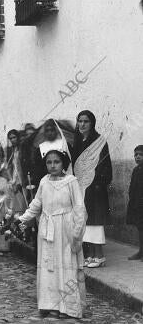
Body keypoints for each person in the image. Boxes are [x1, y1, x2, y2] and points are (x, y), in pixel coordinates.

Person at [17, 150, 87, 319]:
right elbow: (37, 204)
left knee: (65, 265)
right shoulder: (44, 181)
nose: (53, 165)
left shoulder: (71, 182)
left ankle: (66, 307)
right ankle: (49, 304)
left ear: (63, 163)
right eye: (49, 162)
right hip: (47, 229)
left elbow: (79, 207)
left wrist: (76, 233)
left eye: (56, 162)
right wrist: (21, 219)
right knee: (49, 266)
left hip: (65, 229)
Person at [71, 110, 112, 268]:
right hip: (81, 187)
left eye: (86, 121)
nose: (82, 124)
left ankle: (99, 255)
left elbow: (104, 166)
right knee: (86, 221)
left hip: (95, 188)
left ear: (92, 123)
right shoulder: (78, 141)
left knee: (95, 221)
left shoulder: (100, 141)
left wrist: (96, 183)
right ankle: (91, 255)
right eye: (80, 121)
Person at [126, 145, 143, 261]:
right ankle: (141, 252)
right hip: (137, 205)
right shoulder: (136, 170)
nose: (137, 157)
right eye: (135, 155)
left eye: (140, 155)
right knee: (140, 228)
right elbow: (132, 187)